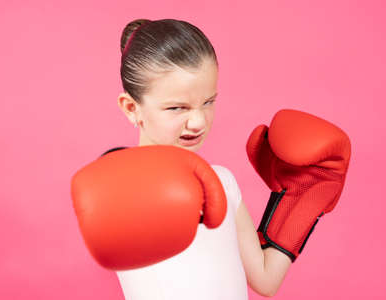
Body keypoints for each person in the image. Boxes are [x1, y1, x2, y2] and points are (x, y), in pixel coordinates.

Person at [114, 18, 293, 299]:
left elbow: (266, 280)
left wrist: (298, 199)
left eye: (208, 102)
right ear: (131, 108)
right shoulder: (120, 190)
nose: (198, 122)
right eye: (177, 107)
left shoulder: (221, 181)